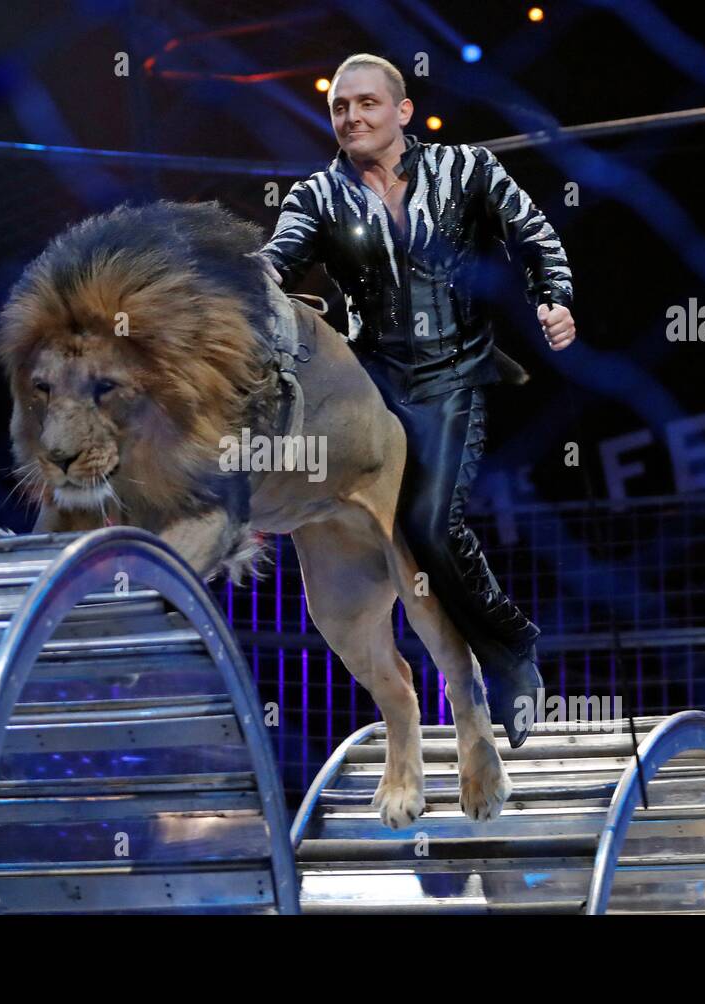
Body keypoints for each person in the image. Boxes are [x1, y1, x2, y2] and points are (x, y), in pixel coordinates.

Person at [256, 52, 577, 746]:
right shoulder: (316, 195)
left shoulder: (468, 169)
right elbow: (274, 262)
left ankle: (512, 651)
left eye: (367, 104)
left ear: (402, 111)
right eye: (340, 108)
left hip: (452, 376)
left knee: (430, 527)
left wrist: (553, 298)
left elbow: (534, 233)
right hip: (366, 384)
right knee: (387, 529)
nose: (352, 118)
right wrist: (233, 285)